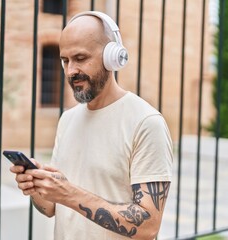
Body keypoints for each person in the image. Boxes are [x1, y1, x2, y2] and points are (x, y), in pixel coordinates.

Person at [10, 11, 173, 240]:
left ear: (112, 57)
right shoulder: (67, 119)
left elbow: (147, 227)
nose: (70, 71)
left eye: (80, 58)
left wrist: (68, 193)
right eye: (65, 61)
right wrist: (38, 187)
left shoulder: (146, 123)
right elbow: (51, 208)